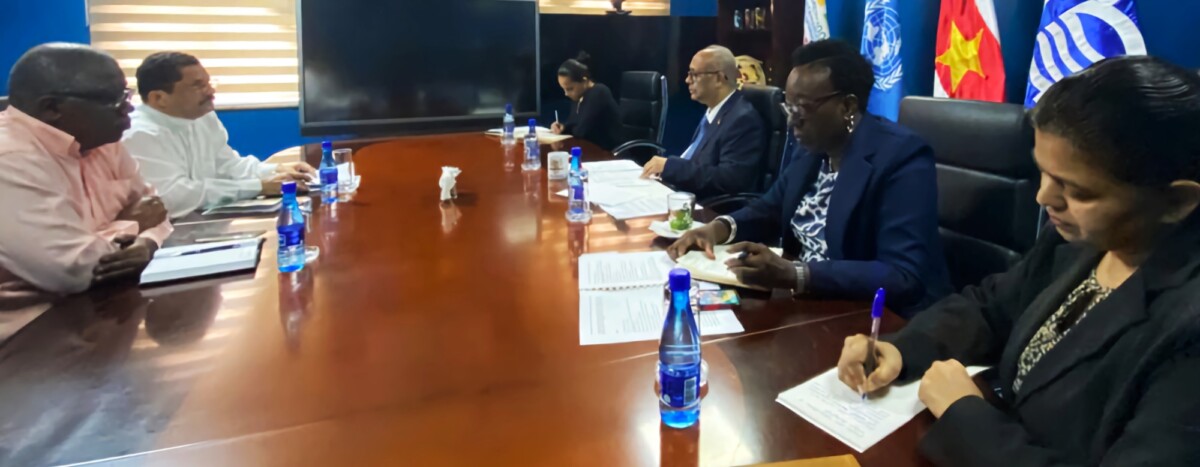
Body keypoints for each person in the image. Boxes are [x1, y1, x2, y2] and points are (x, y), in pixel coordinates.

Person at [836, 56, 1200, 466]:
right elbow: (991, 306)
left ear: (1176, 201)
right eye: (1043, 173)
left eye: (1078, 191)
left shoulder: (1188, 328)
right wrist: (902, 349)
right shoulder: (1083, 240)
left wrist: (965, 415)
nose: (1044, 198)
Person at [667, 40, 950, 315]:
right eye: (788, 108)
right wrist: (718, 228)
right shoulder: (813, 150)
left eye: (801, 108)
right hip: (809, 302)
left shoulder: (901, 157)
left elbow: (902, 274)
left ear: (848, 107)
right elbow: (769, 208)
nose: (792, 121)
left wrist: (796, 274)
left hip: (877, 316)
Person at [0, 43, 173, 295]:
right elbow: (72, 270)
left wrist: (148, 243)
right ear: (52, 108)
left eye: (126, 95)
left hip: (102, 298)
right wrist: (131, 224)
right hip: (34, 315)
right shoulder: (10, 159)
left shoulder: (102, 140)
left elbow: (157, 211)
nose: (128, 108)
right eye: (114, 101)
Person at [122, 52, 315, 219]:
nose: (210, 91)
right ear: (159, 98)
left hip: (203, 222)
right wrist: (259, 186)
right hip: (164, 235)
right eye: (198, 86)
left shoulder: (203, 117)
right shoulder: (138, 134)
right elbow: (173, 197)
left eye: (208, 83)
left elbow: (227, 165)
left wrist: (274, 170)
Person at [641, 45, 765, 200]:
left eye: (694, 74)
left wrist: (671, 167)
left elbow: (729, 179)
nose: (687, 80)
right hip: (682, 192)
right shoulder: (715, 110)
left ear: (719, 78)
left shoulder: (742, 119)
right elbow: (698, 161)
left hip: (708, 206)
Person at [550, 52, 623, 151]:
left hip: (608, 153)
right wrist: (562, 128)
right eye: (564, 89)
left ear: (584, 80)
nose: (566, 94)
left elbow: (582, 131)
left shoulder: (599, 92)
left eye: (570, 89)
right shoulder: (579, 96)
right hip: (589, 150)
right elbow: (574, 124)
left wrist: (568, 129)